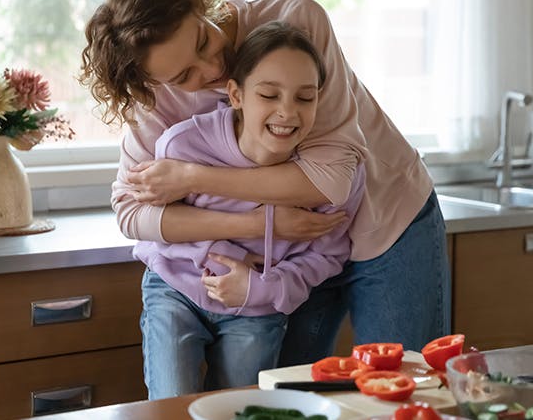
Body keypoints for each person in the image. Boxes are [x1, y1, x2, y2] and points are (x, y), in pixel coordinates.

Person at [80, 0, 450, 369]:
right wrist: (261, 225)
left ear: (203, 7)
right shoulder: (154, 97)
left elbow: (331, 180)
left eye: (204, 40)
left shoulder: (295, 19)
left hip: (388, 221)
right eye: (183, 75)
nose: (211, 70)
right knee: (283, 398)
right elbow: (134, 213)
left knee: (400, 384)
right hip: (293, 256)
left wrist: (191, 177)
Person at [129, 21, 365, 399]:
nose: (287, 112)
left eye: (305, 98)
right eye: (269, 95)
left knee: (237, 408)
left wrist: (261, 286)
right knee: (171, 404)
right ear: (236, 95)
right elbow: (157, 234)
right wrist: (225, 254)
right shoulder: (182, 146)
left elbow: (327, 256)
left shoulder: (333, 175)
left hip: (257, 305)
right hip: (175, 289)